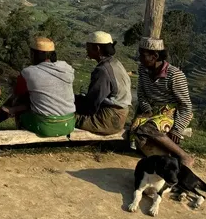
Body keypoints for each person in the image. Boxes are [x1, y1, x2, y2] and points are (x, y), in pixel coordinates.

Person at [0, 37, 76, 137]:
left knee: (16, 101)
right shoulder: (67, 68)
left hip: (45, 126)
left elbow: (17, 96)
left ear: (34, 54)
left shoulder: (29, 72)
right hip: (69, 124)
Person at [130, 37, 194, 167]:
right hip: (150, 112)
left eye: (143, 55)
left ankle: (184, 156)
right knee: (138, 136)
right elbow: (141, 94)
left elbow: (186, 106)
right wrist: (147, 109)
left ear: (155, 56)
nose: (140, 58)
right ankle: (167, 159)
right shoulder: (143, 70)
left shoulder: (175, 75)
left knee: (146, 128)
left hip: (169, 114)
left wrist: (177, 129)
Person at [75, 31, 132, 135]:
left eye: (88, 47)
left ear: (97, 48)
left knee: (70, 118)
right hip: (120, 114)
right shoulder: (115, 63)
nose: (86, 49)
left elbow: (92, 103)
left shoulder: (102, 70)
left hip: (109, 118)